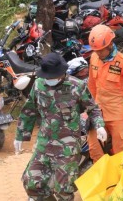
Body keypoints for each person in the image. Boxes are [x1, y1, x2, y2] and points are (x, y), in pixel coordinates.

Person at [15, 53, 106, 201]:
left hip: (67, 146)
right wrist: (20, 136)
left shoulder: (77, 86)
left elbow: (93, 109)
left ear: (62, 73)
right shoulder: (38, 85)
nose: (49, 80)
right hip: (44, 143)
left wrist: (100, 126)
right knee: (31, 182)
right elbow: (29, 110)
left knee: (63, 190)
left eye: (52, 77)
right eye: (47, 77)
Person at [87, 25, 123, 162]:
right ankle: (102, 180)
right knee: (94, 148)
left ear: (110, 45)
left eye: (101, 50)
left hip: (118, 114)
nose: (98, 54)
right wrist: (89, 110)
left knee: (122, 152)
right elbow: (91, 86)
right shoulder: (94, 58)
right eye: (96, 50)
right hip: (98, 111)